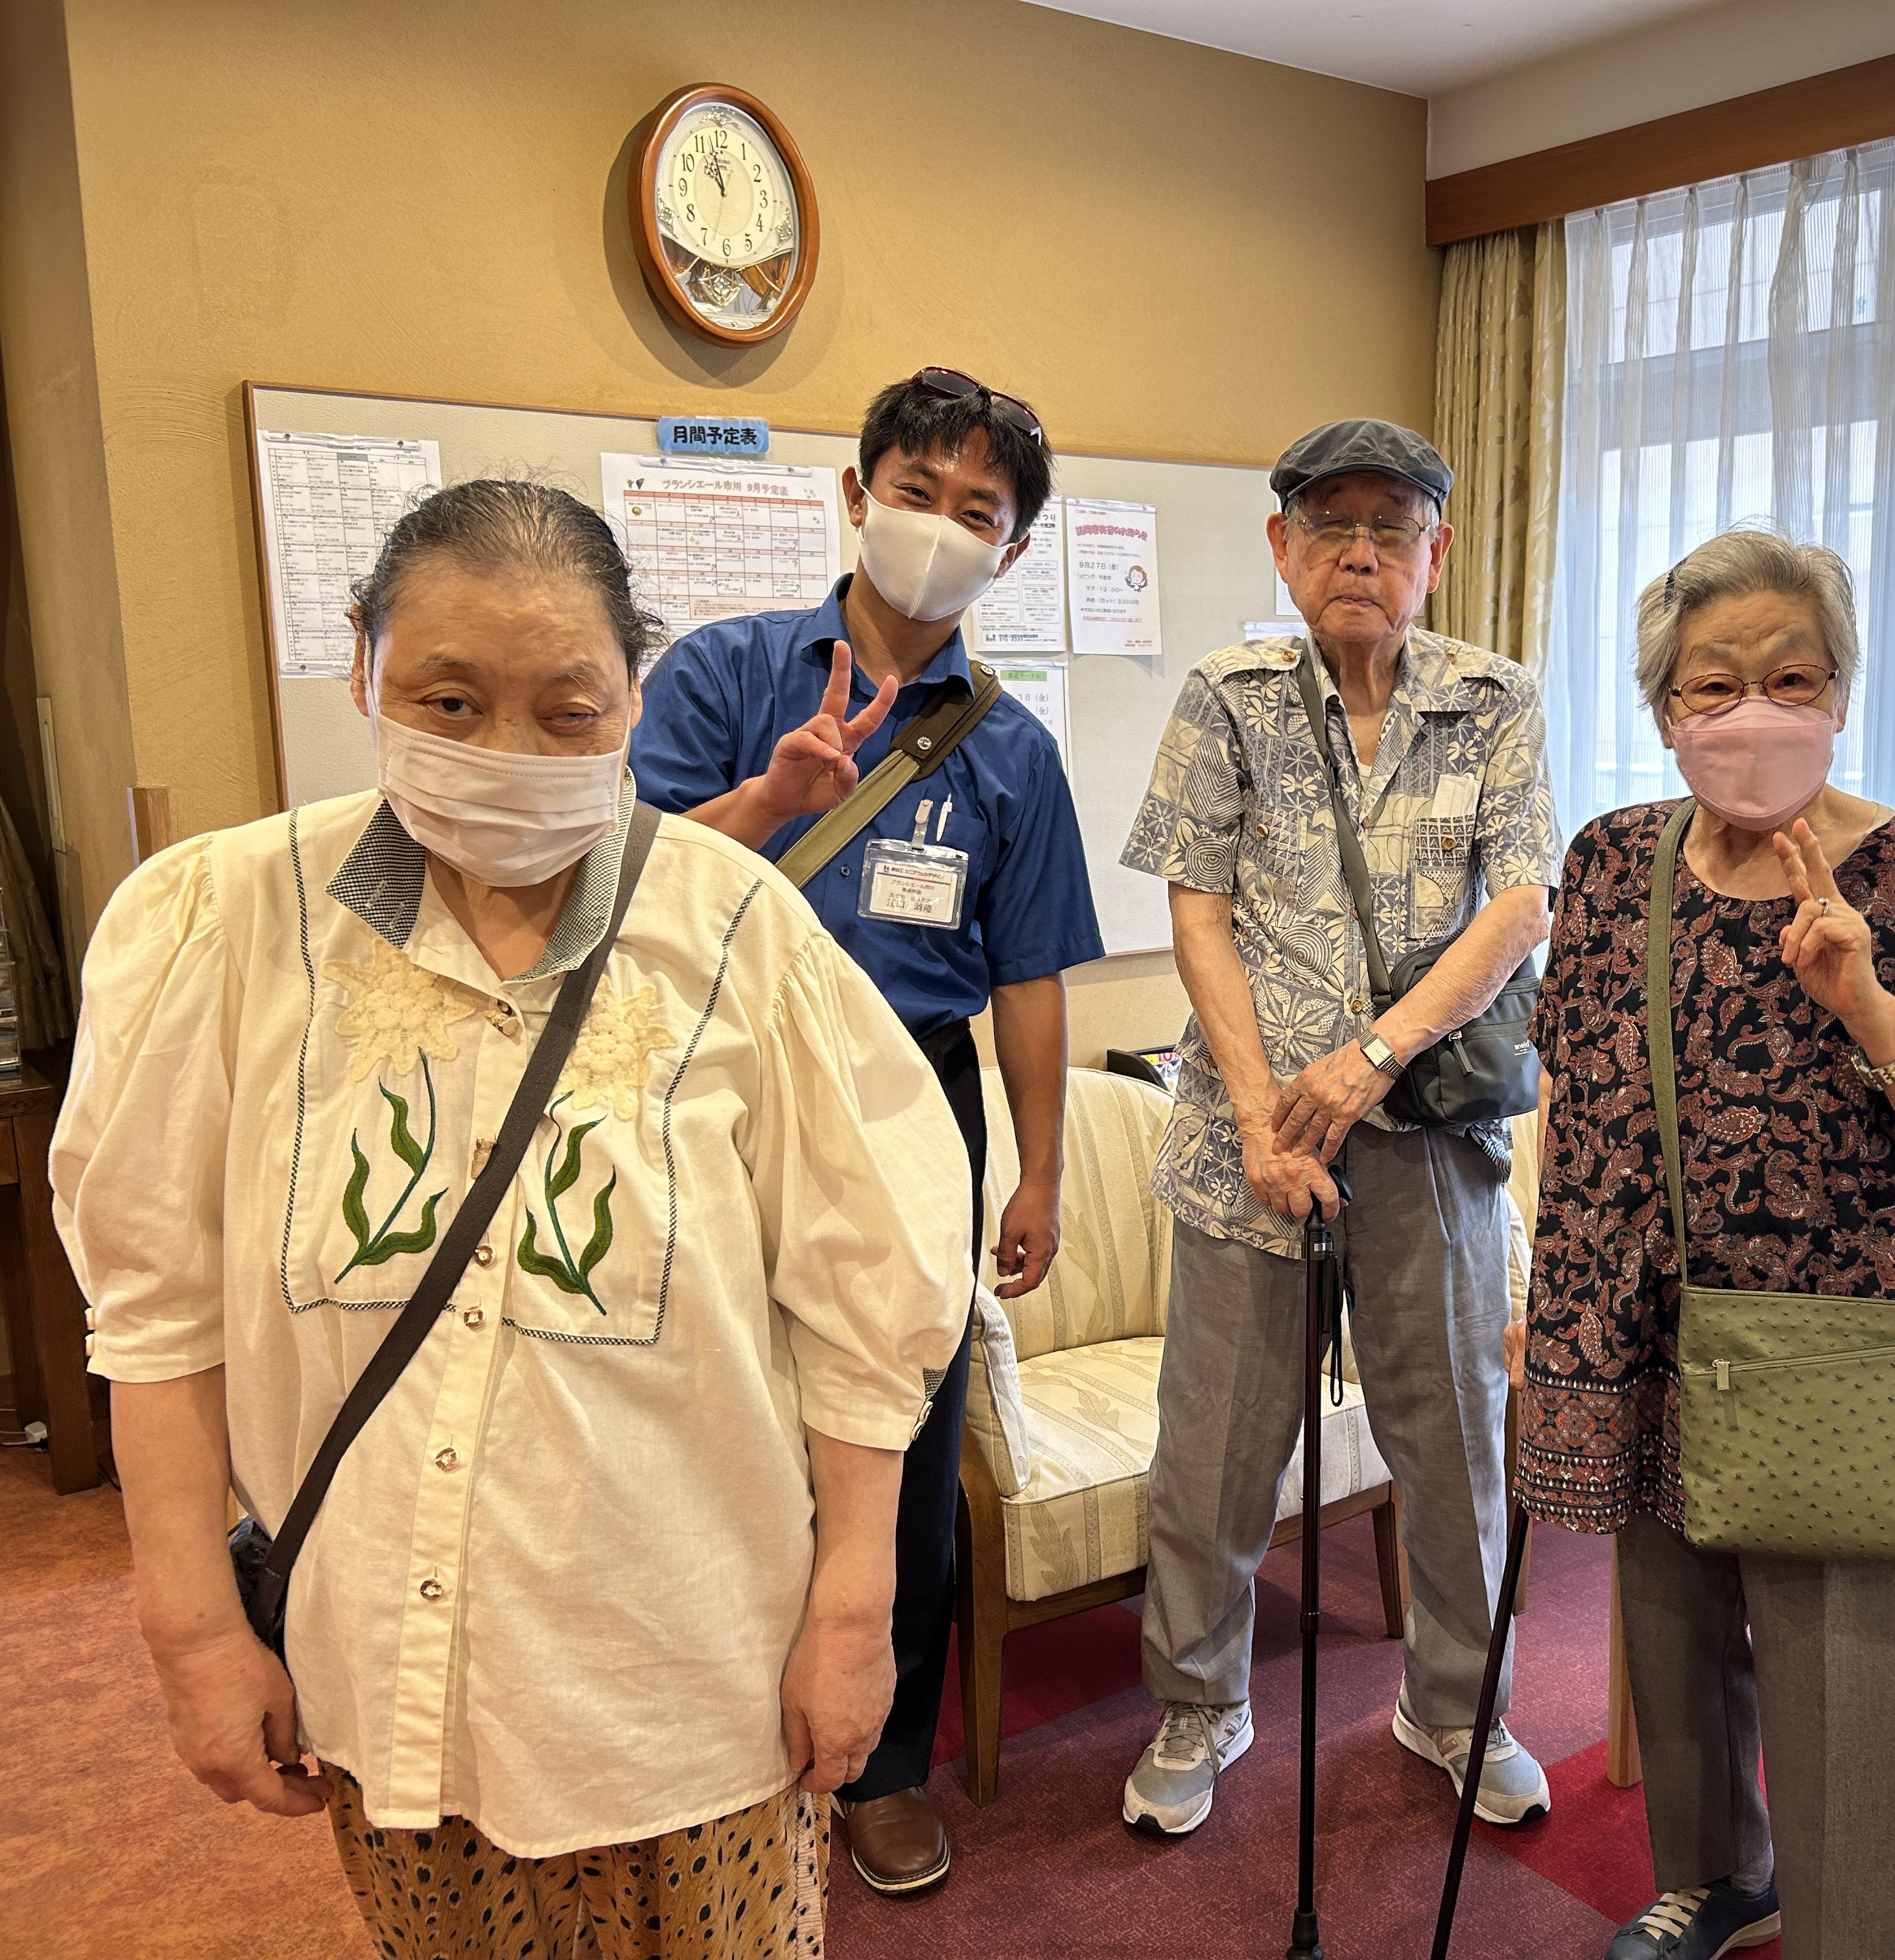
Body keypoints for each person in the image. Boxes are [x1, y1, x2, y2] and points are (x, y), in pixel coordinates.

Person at [56, 480, 974, 1960]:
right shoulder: (219, 926)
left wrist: (854, 1616)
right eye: (450, 700)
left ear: (630, 702)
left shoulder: (736, 934)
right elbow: (154, 1318)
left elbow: (870, 1314)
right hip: (398, 1666)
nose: (507, 752)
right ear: (363, 669)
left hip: (691, 1671)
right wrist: (191, 1634)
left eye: (566, 711)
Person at [1512, 528, 1895, 1960]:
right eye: (1710, 685)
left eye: (1788, 676)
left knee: (1842, 1683)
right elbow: (1578, 1082)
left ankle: (1849, 1933)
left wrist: (1865, 998)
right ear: (1664, 711)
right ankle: (1715, 1872)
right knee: (1674, 1641)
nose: (1750, 711)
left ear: (1841, 692)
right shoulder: (1612, 861)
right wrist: (1552, 1289)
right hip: (1648, 1330)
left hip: (1844, 1349)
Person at [631, 368, 1103, 1895]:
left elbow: (1026, 976)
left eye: (980, 512)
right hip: (720, 1084)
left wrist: (1036, 1165)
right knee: (710, 1410)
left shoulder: (1014, 749)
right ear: (856, 494)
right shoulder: (720, 675)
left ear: (1014, 551)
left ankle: (887, 1758)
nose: (941, 529)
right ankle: (706, 1734)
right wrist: (772, 800)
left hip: (915, 1097)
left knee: (893, 1434)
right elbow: (614, 887)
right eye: (918, 491)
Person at [1116, 418, 1559, 1838]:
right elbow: (1194, 906)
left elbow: (1519, 907)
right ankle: (1200, 1703)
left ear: (1436, 552)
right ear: (1283, 547)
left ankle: (1454, 1705)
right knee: (1217, 1450)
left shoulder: (1493, 701)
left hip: (1430, 1140)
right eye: (1330, 527)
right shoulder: (1228, 696)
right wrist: (1262, 1114)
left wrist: (1369, 1058)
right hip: (1250, 1152)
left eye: (1391, 529)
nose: (1359, 553)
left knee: (1455, 1442)